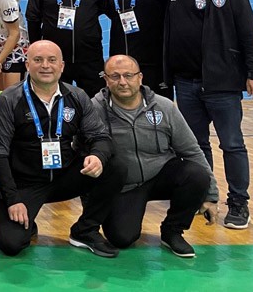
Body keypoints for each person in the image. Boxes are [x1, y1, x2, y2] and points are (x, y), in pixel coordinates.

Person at [165, 0, 253, 229]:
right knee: (195, 146)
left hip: (223, 84)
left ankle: (238, 203)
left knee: (232, 145)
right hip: (186, 85)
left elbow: (249, 33)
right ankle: (204, 196)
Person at [0, 40, 125, 258]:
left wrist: (97, 157)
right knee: (10, 244)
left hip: (65, 176)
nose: (45, 65)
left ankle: (85, 230)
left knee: (115, 166)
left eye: (52, 60)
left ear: (61, 66)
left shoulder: (77, 96)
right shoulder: (9, 99)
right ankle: (28, 219)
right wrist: (12, 199)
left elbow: (100, 136)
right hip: (25, 183)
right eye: (38, 60)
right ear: (27, 65)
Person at [93, 55, 218, 258]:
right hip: (124, 185)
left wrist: (211, 196)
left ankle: (173, 231)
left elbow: (192, 151)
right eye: (115, 76)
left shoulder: (164, 107)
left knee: (195, 174)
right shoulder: (95, 109)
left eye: (128, 75)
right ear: (106, 80)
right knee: (122, 238)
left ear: (140, 77)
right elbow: (84, 154)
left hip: (161, 175)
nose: (122, 82)